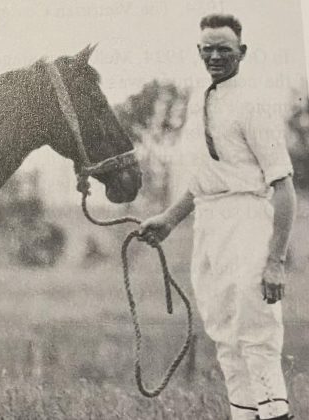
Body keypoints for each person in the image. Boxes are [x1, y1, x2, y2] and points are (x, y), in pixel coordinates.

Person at [139, 13, 296, 420]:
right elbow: (205, 180)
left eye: (223, 49)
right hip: (210, 229)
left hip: (248, 224)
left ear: (241, 53)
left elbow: (284, 187)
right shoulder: (201, 99)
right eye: (207, 49)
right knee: (226, 339)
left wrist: (276, 261)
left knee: (256, 337)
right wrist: (170, 219)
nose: (214, 56)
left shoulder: (254, 102)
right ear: (198, 51)